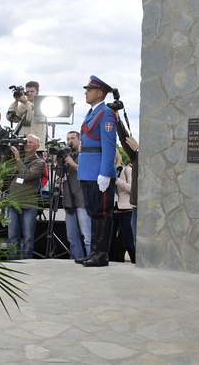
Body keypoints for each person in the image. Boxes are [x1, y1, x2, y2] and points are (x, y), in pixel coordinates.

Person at [75, 75, 118, 267]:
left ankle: (101, 254)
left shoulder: (106, 113)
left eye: (89, 89)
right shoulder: (92, 112)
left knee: (102, 213)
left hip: (99, 171)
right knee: (93, 212)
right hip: (88, 171)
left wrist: (105, 172)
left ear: (99, 93)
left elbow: (109, 146)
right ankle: (93, 252)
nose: (86, 92)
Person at [6, 134, 45, 260]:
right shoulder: (16, 159)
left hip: (28, 204)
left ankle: (27, 264)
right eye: (26, 142)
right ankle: (13, 263)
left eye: (31, 142)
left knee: (28, 237)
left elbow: (26, 176)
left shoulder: (39, 162)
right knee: (12, 237)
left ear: (38, 146)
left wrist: (18, 159)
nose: (27, 144)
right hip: (13, 202)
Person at [60, 131, 91, 260]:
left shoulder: (84, 155)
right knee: (72, 237)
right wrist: (59, 163)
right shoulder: (66, 157)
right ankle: (75, 260)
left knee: (87, 236)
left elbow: (87, 172)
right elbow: (59, 176)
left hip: (82, 201)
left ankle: (90, 259)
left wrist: (72, 163)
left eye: (73, 138)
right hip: (69, 201)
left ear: (79, 141)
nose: (70, 141)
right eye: (68, 138)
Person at [112, 157, 135, 263]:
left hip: (126, 211)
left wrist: (117, 180)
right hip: (112, 210)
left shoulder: (127, 170)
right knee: (110, 242)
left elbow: (132, 189)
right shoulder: (105, 174)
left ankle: (135, 262)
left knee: (128, 242)